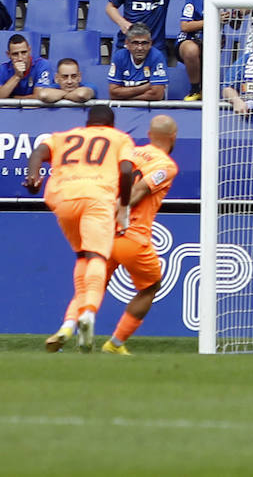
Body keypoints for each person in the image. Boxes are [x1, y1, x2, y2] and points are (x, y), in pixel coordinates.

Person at [23, 105, 136, 353]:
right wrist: (124, 207)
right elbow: (127, 170)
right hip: (97, 197)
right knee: (96, 256)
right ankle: (89, 313)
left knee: (82, 257)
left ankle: (69, 324)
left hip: (63, 198)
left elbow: (38, 152)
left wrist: (33, 177)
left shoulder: (64, 136)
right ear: (111, 124)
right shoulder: (120, 138)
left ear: (88, 123)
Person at [85, 116, 178, 355]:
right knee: (150, 286)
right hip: (131, 236)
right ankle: (115, 343)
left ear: (149, 135)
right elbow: (137, 191)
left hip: (103, 234)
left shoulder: (130, 154)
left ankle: (67, 333)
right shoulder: (166, 166)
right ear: (173, 137)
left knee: (92, 286)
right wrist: (119, 213)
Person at [177, 0, 231, 100]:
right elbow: (185, 26)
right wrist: (214, 19)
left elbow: (236, 25)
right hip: (190, 40)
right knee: (191, 49)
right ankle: (195, 89)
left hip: (213, 44)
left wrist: (238, 13)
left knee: (210, 95)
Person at [106, 23, 168, 101]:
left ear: (150, 43)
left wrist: (125, 97)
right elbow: (113, 93)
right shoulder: (119, 56)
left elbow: (156, 95)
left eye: (144, 43)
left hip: (151, 109)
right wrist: (146, 87)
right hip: (123, 109)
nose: (140, 48)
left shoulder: (156, 56)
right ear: (127, 43)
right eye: (135, 43)